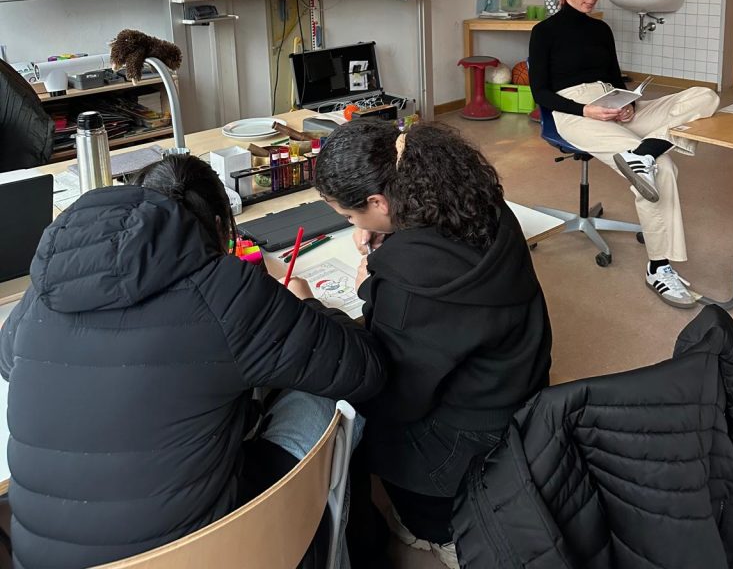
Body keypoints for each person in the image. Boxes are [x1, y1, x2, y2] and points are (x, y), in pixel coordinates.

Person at [0, 154, 387, 569]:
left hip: (39, 559)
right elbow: (364, 369)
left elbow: (9, 361)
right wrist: (306, 304)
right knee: (330, 400)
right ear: (220, 229)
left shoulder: (48, 284)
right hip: (207, 551)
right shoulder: (224, 288)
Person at [314, 119, 552, 569]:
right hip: (521, 380)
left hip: (471, 432)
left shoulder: (407, 283)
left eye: (349, 216)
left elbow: (397, 392)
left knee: (355, 411)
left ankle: (439, 530)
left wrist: (363, 291)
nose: (352, 225)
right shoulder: (480, 201)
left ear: (378, 202)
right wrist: (393, 236)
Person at [528, 0, 720, 308]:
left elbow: (616, 79)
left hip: (615, 104)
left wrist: (628, 103)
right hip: (576, 113)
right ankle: (659, 268)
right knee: (664, 170)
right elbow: (539, 93)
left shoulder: (602, 30)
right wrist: (586, 109)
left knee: (705, 97)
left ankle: (643, 153)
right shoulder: (545, 33)